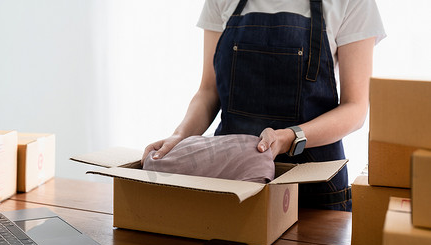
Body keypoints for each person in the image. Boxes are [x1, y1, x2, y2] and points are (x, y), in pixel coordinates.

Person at [142, 0, 386, 211]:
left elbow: (355, 108)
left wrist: (289, 137)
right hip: (230, 181)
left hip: (313, 185)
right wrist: (180, 136)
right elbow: (208, 91)